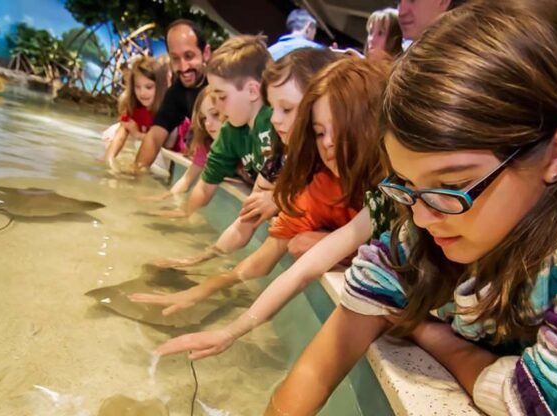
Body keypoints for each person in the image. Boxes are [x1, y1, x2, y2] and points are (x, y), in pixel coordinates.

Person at [267, 0, 557, 415]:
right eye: (407, 184)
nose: (419, 216)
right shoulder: (442, 207)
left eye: (452, 184)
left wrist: (434, 335)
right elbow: (353, 314)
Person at [130, 57, 388, 321]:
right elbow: (259, 241)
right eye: (320, 132)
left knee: (302, 244)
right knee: (299, 243)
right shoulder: (303, 172)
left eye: (287, 109)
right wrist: (202, 284)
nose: (275, 119)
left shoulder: (392, 183)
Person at [146, 48, 340, 268]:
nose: (276, 119)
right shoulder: (280, 155)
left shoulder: (275, 130)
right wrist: (197, 259)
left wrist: (278, 197)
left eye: (285, 109)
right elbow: (245, 219)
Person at [148, 35, 274, 219]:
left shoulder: (274, 122)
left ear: (253, 91)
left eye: (222, 98)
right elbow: (207, 183)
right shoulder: (230, 131)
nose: (220, 108)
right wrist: (185, 212)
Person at [133, 19, 212, 172]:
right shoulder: (177, 92)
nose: (183, 67)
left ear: (206, 53)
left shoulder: (222, 83)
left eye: (189, 56)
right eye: (175, 58)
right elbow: (155, 137)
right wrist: (136, 173)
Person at [103, 56, 168, 171]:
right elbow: (120, 137)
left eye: (149, 87)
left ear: (160, 86)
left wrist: (137, 134)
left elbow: (166, 143)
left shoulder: (167, 109)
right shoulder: (135, 108)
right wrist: (108, 161)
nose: (142, 92)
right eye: (137, 87)